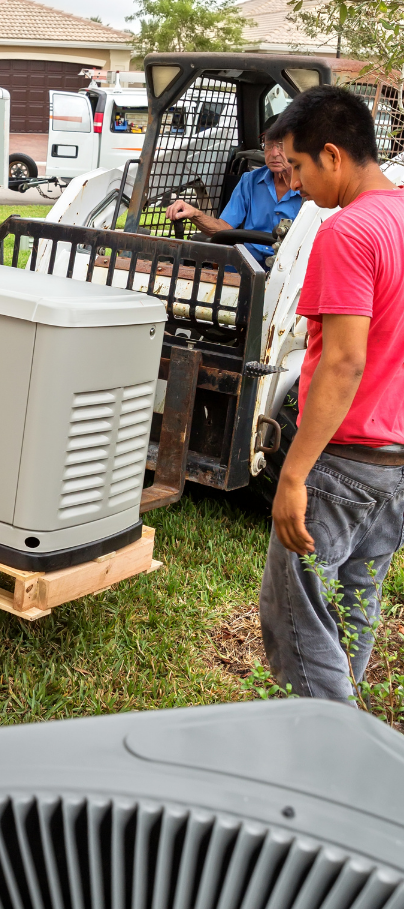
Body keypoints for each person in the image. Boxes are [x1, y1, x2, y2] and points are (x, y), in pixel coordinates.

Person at [258, 87, 403, 701]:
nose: (293, 184)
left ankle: (319, 741)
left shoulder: (348, 231)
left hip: (341, 463)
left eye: (297, 166)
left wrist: (293, 475)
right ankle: (347, 734)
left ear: (334, 156)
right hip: (394, 464)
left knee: (298, 622)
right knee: (355, 606)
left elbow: (344, 362)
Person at [165, 127, 303, 265]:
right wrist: (194, 214)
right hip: (245, 265)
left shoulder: (309, 188)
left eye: (281, 146)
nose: (274, 153)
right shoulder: (249, 181)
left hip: (290, 269)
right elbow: (224, 228)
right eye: (268, 145)